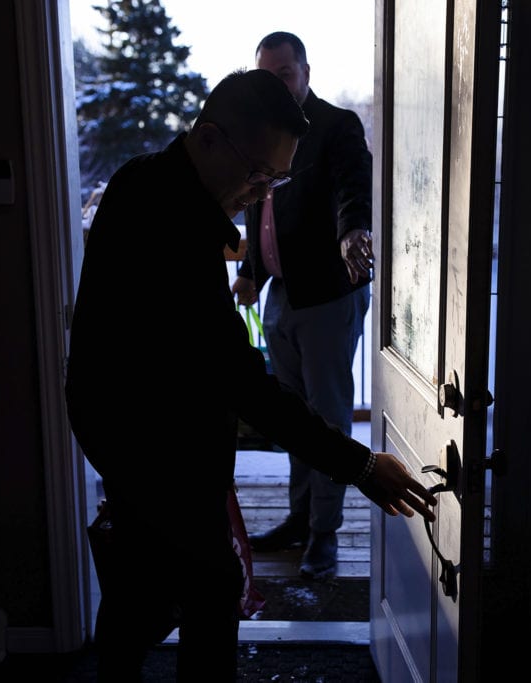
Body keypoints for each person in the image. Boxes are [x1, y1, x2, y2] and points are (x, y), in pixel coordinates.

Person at [64, 68, 436, 682]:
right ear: (209, 139)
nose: (263, 193)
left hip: (136, 436)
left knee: (142, 593)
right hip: (149, 446)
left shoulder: (144, 181)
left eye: (278, 179)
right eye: (259, 173)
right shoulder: (173, 225)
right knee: (209, 589)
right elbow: (241, 379)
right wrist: (362, 465)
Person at [232, 32, 375, 581]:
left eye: (285, 74)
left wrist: (352, 229)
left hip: (327, 297)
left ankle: (324, 534)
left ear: (306, 72)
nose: (278, 84)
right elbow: (257, 212)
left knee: (329, 422)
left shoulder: (336, 127)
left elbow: (352, 185)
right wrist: (249, 273)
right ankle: (297, 519)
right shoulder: (261, 134)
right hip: (280, 295)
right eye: (267, 75)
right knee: (289, 419)